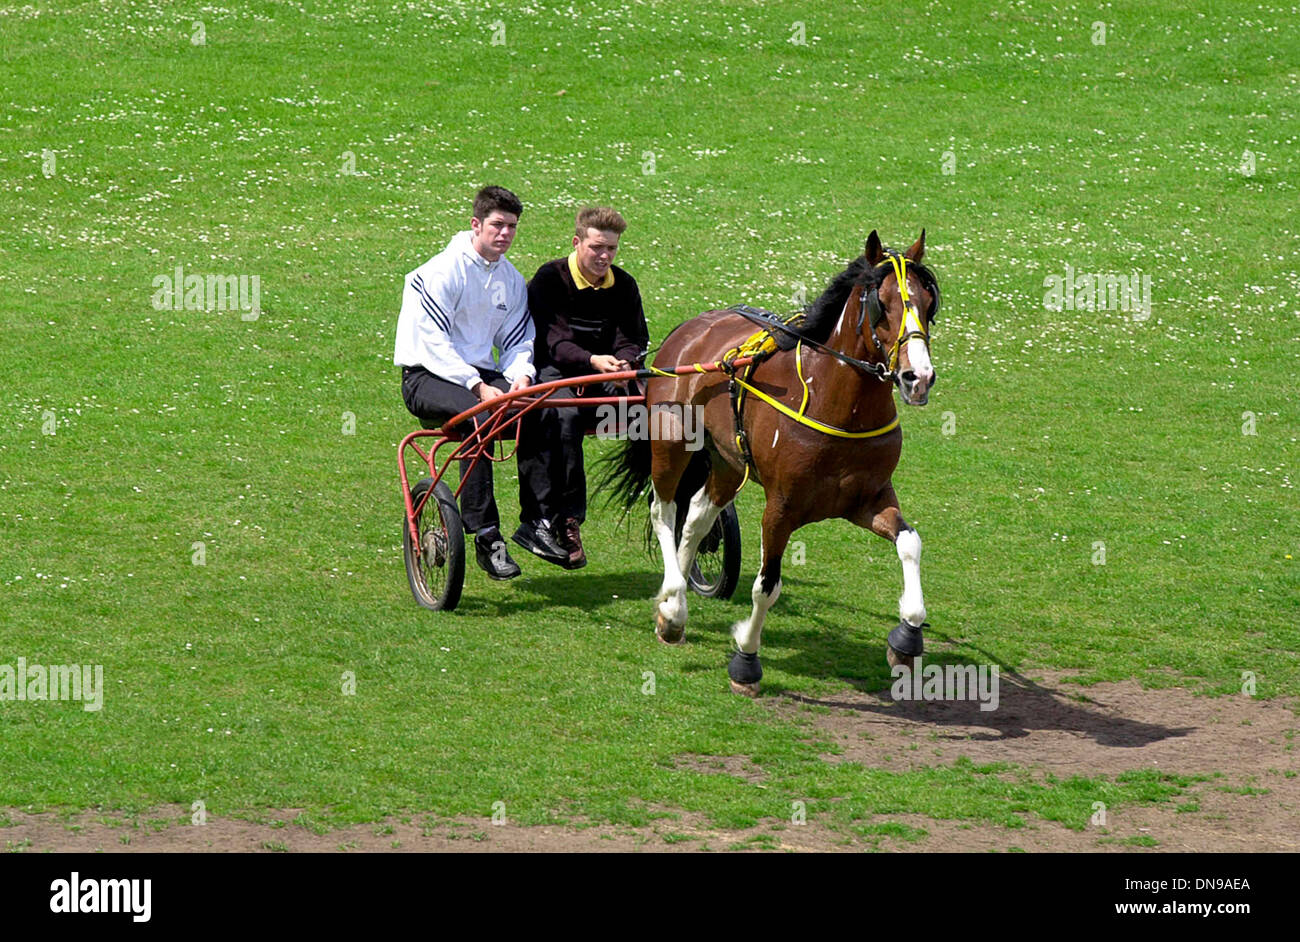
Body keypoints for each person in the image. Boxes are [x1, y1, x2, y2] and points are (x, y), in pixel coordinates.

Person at [394, 186, 569, 580]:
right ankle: (488, 536)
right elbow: (434, 344)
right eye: (497, 225)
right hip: (426, 376)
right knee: (479, 418)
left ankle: (537, 522)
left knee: (539, 410)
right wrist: (477, 386)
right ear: (475, 224)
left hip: (480, 375)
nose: (505, 233)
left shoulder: (509, 278)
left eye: (512, 227)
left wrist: (520, 375)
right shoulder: (439, 272)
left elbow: (518, 339)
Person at [523, 207, 650, 569]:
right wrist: (594, 361)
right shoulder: (549, 279)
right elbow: (551, 341)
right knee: (563, 416)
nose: (605, 256)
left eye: (611, 249)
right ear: (577, 242)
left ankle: (691, 498)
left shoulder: (623, 284)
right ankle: (566, 519)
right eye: (597, 247)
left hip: (606, 376)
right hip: (556, 373)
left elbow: (635, 338)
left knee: (669, 409)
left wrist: (625, 363)